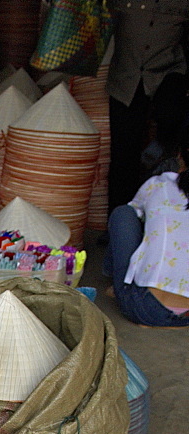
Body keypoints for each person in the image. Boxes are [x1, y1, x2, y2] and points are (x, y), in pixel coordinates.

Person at [107, 0, 189, 212]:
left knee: (171, 115)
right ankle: (119, 216)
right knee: (123, 154)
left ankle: (158, 156)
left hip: (168, 71)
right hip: (126, 77)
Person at [105, 128, 189, 327]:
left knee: (123, 214)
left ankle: (116, 282)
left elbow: (133, 214)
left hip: (148, 309)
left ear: (179, 156)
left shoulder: (160, 184)